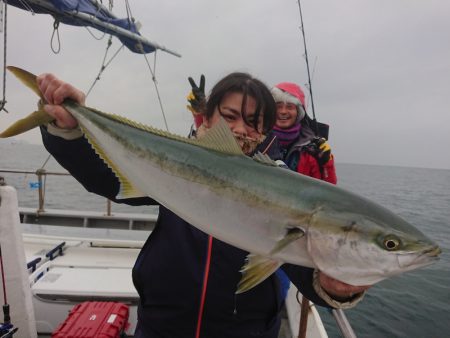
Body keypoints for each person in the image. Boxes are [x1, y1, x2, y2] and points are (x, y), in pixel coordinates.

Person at [37, 72, 369, 338]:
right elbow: (102, 177)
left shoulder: (284, 187)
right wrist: (67, 130)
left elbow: (300, 260)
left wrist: (333, 288)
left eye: (254, 121)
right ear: (207, 118)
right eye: (230, 116)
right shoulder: (175, 163)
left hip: (245, 330)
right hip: (162, 325)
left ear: (265, 130)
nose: (241, 128)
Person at [270, 82, 337, 184]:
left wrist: (326, 163)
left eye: (290, 107)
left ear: (299, 112)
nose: (283, 111)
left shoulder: (313, 149)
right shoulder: (256, 138)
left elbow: (329, 189)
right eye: (278, 106)